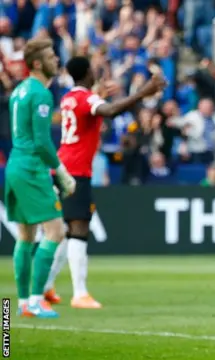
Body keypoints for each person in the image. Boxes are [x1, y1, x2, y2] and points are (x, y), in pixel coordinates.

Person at [43, 56, 167, 308]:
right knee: (79, 229)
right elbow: (110, 111)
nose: (95, 74)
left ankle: (46, 287)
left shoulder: (69, 97)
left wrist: (98, 94)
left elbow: (93, 110)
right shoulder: (86, 98)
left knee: (65, 232)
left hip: (64, 166)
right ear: (86, 73)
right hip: (76, 171)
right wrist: (143, 92)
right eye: (92, 70)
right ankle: (79, 294)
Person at [5, 38, 77, 318]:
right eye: (51, 56)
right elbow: (42, 142)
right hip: (32, 169)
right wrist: (62, 172)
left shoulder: (20, 90)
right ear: (37, 63)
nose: (56, 60)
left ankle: (23, 302)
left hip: (15, 165)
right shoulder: (41, 94)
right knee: (56, 231)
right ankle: (36, 299)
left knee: (25, 236)